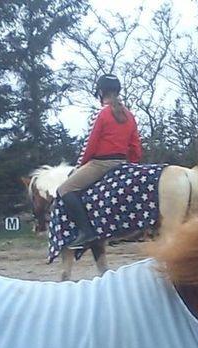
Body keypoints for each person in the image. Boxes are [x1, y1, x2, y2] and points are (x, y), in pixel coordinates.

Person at [57, 73, 143, 249]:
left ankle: (86, 232)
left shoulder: (102, 114)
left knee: (64, 189)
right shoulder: (130, 115)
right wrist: (132, 166)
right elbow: (135, 147)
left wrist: (79, 166)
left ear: (101, 92)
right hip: (122, 163)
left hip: (100, 163)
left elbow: (90, 144)